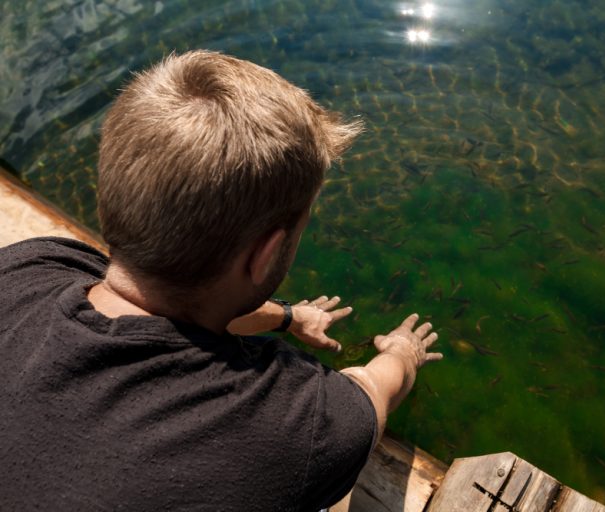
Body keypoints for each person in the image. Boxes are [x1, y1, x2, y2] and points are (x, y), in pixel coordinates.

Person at [0, 50, 442, 511]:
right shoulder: (291, 425)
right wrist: (401, 353)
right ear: (266, 254)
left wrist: (288, 318)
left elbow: (159, 305)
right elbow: (370, 391)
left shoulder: (29, 266)